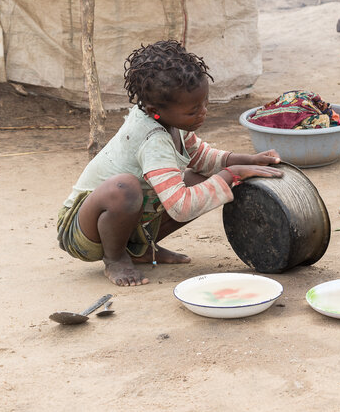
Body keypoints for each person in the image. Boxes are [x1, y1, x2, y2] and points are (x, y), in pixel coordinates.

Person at [56, 40, 283, 287]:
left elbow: (203, 159)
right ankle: (116, 259)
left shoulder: (171, 122)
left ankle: (139, 248)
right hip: (83, 231)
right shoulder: (152, 139)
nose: (203, 112)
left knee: (202, 176)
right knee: (125, 188)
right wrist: (231, 174)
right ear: (155, 110)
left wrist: (247, 160)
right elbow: (181, 208)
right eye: (193, 110)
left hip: (127, 222)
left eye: (205, 103)